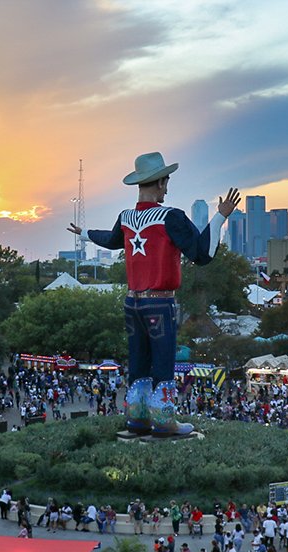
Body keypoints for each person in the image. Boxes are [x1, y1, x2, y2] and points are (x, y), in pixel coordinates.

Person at [70, 151, 240, 436]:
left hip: (131, 303)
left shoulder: (126, 218)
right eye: (166, 182)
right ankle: (163, 421)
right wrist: (220, 216)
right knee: (163, 362)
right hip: (159, 304)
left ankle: (137, 419)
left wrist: (84, 233)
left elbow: (111, 240)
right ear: (160, 182)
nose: (167, 189)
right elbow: (201, 254)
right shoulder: (171, 217)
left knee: (138, 361)